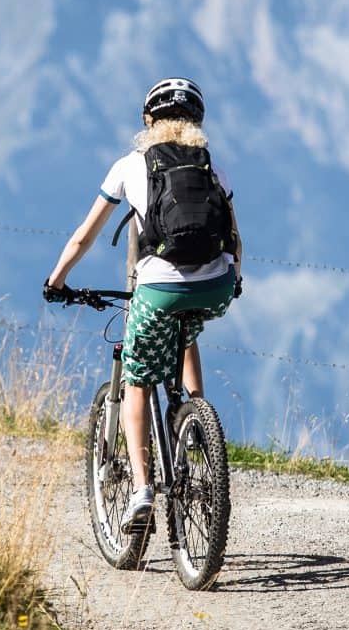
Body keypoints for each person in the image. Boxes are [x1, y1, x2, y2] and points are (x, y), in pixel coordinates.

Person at [45, 77, 244, 532]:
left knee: (137, 380)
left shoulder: (129, 165)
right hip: (215, 286)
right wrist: (234, 279)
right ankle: (197, 421)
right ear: (196, 122)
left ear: (148, 122)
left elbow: (85, 235)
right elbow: (235, 234)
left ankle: (141, 491)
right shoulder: (213, 165)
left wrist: (57, 281)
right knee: (187, 330)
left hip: (157, 289)